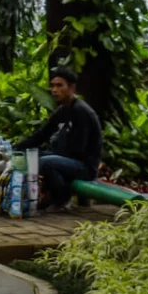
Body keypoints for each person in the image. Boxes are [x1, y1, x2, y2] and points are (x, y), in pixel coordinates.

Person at [14, 66, 103, 213]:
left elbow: (79, 150)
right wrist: (16, 148)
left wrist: (52, 155)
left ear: (72, 88)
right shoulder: (63, 110)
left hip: (85, 166)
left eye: (59, 85)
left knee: (45, 161)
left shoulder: (81, 111)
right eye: (53, 85)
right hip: (68, 160)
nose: (54, 90)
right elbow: (41, 134)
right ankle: (43, 196)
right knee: (33, 156)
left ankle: (62, 199)